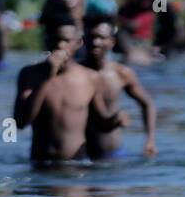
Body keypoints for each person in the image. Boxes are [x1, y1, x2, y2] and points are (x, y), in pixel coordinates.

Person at [14, 20, 120, 163]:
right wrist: (46, 78)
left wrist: (115, 119)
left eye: (66, 40)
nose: (60, 45)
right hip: (40, 165)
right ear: (46, 41)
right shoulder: (29, 74)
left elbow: (100, 123)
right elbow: (21, 122)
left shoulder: (90, 77)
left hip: (76, 166)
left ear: (78, 43)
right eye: (55, 40)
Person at [82, 15, 157, 159]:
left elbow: (147, 104)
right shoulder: (75, 74)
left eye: (101, 38)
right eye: (91, 37)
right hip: (83, 156)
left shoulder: (121, 73)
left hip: (114, 154)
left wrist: (150, 141)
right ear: (83, 40)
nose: (96, 42)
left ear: (111, 42)